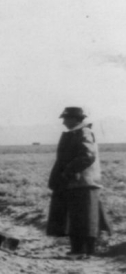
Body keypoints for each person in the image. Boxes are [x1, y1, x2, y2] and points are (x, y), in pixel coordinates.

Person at [46, 107, 110, 257]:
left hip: (83, 182)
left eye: (66, 119)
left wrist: (69, 171)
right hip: (79, 182)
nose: (63, 122)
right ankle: (82, 250)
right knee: (81, 218)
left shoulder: (84, 132)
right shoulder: (78, 132)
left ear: (75, 119)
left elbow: (87, 156)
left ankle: (83, 251)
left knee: (83, 218)